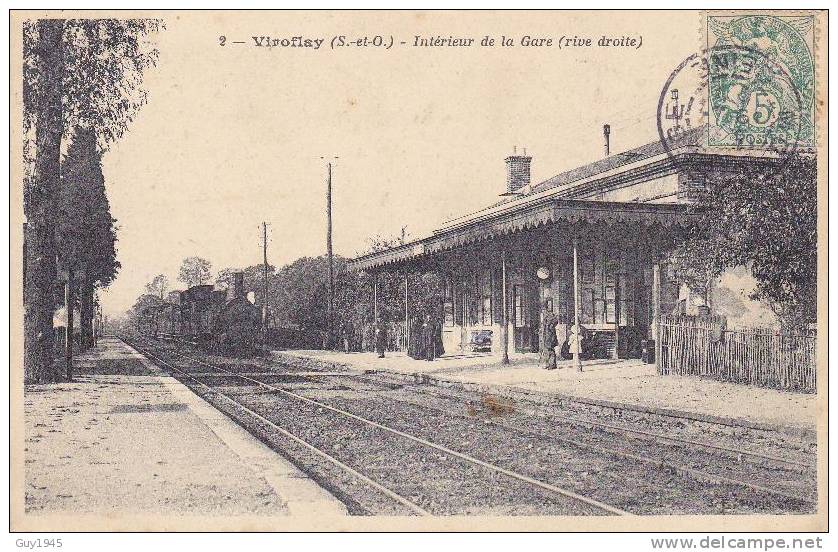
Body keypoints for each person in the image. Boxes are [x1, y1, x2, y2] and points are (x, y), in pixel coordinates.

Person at [542, 303, 558, 370]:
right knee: (547, 350)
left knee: (550, 350)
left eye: (543, 309)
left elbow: (554, 323)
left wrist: (550, 326)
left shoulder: (551, 315)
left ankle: (552, 365)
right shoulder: (545, 316)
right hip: (547, 335)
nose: (543, 311)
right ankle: (549, 364)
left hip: (550, 336)